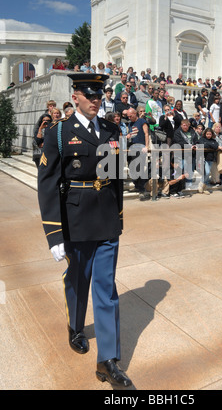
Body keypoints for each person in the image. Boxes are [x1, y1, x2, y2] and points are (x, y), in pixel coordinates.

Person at [37, 73, 132, 389]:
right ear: (75, 96)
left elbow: (116, 176)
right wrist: (53, 234)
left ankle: (107, 361)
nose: (96, 100)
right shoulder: (59, 133)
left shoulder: (111, 129)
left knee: (105, 288)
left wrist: (118, 217)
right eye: (88, 94)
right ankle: (75, 327)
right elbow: (48, 183)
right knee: (78, 280)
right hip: (74, 219)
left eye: (99, 94)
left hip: (105, 218)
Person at [126, 108, 150, 201]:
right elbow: (131, 133)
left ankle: (141, 189)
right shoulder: (130, 123)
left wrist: (146, 146)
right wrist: (128, 136)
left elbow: (146, 133)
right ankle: (136, 183)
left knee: (139, 168)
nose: (129, 117)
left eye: (130, 116)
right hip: (132, 147)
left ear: (135, 114)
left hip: (141, 148)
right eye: (128, 116)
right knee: (131, 167)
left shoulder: (142, 121)